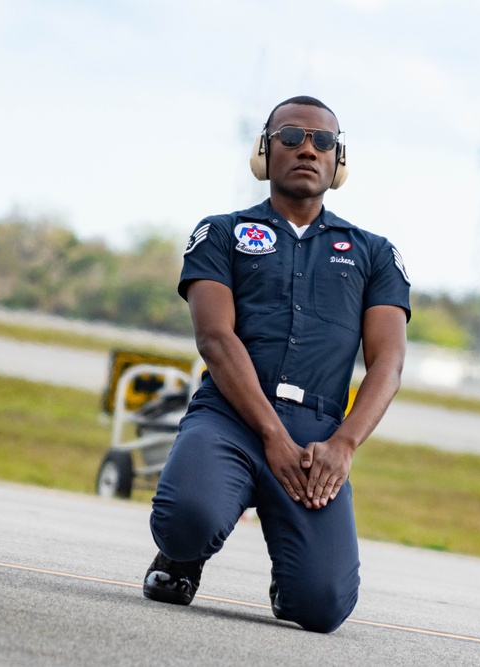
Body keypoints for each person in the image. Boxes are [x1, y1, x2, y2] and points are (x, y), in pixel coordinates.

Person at [142, 95, 411, 633]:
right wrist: (269, 434)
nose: (308, 149)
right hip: (231, 418)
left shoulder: (374, 253)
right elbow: (215, 339)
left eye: (323, 141)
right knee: (187, 518)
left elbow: (388, 363)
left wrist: (343, 445)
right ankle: (181, 556)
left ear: (340, 162)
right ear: (264, 152)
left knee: (323, 608)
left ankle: (293, 581)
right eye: (291, 137)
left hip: (316, 434)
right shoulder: (221, 233)